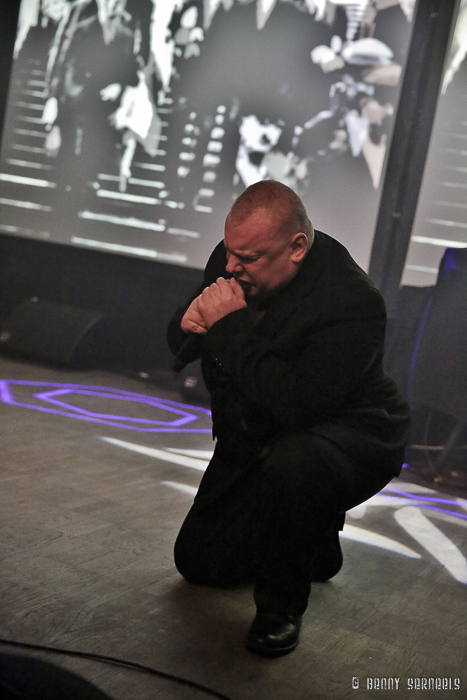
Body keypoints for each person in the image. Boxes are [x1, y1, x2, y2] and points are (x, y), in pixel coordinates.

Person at [167, 180, 410, 657]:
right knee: (199, 563)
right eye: (230, 252)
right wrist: (188, 322)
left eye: (249, 257)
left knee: (296, 462)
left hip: (351, 431)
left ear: (296, 247)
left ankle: (280, 609)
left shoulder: (352, 301)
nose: (232, 265)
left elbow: (298, 406)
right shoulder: (236, 256)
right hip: (263, 428)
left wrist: (228, 326)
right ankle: (313, 539)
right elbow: (189, 338)